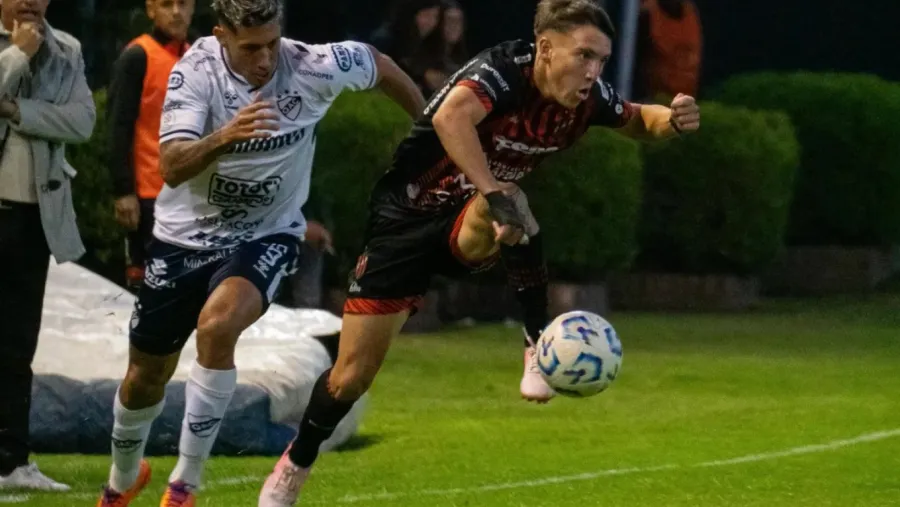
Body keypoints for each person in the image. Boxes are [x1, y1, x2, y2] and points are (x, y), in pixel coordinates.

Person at [256, 0, 700, 504]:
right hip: (403, 222)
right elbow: (450, 118)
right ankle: (295, 464)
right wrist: (492, 189)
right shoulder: (503, 71)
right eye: (584, 56)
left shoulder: (586, 96)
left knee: (510, 207)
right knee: (350, 378)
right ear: (547, 48)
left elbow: (638, 119)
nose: (593, 71)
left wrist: (673, 117)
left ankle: (536, 342)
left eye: (601, 59)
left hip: (472, 221)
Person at [95, 0, 425, 505]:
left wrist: (427, 128)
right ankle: (121, 481)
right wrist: (227, 135)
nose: (266, 58)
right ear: (222, 34)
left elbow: (379, 66)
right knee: (144, 378)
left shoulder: (312, 64)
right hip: (182, 239)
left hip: (264, 236)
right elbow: (172, 166)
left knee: (218, 325)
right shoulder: (195, 72)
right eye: (251, 47)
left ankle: (183, 485)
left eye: (272, 42)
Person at [0, 0, 95, 492]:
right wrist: (15, 57)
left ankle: (11, 462)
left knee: (17, 347)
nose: (29, 2)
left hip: (36, 218)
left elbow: (82, 122)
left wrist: (17, 110)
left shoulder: (67, 50)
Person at [107, 0, 195, 291]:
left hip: (190, 196)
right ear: (150, 9)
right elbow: (118, 125)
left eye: (183, 4)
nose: (176, 12)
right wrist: (123, 190)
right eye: (167, 4)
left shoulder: (197, 57)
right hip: (148, 196)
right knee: (147, 290)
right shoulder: (137, 55)